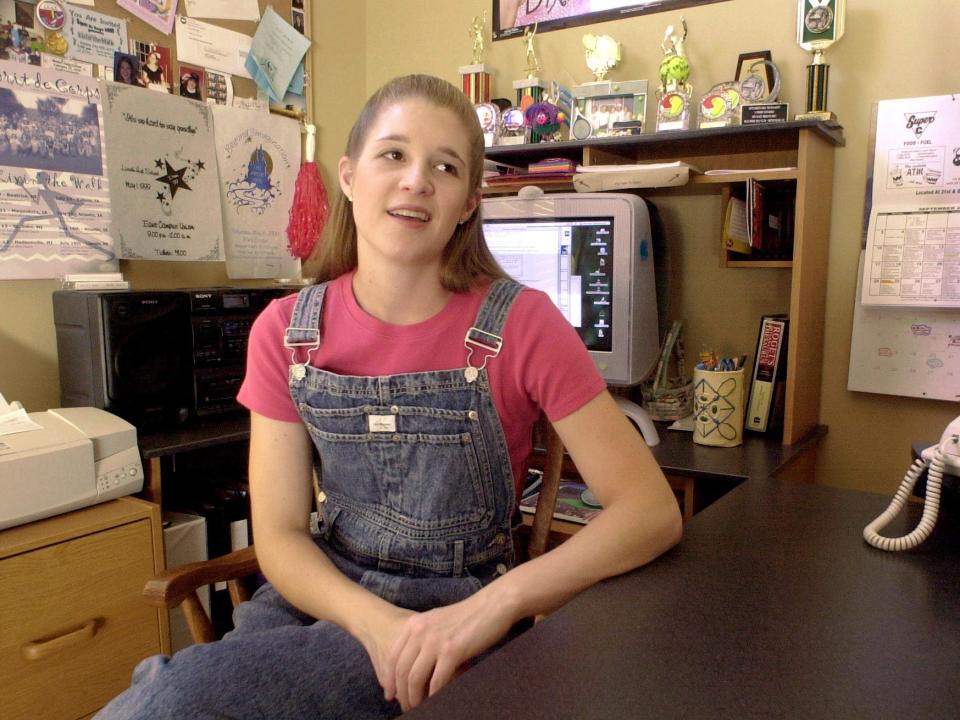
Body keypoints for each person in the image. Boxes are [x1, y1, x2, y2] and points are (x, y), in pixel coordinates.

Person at [95, 74, 681, 719]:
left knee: (175, 703)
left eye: (446, 166)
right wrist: (375, 625)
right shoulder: (285, 332)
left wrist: (496, 605)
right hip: (319, 599)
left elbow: (650, 512)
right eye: (393, 154)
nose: (416, 180)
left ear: (466, 202)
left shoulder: (523, 323)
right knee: (177, 698)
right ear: (348, 176)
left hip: (454, 614)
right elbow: (283, 535)